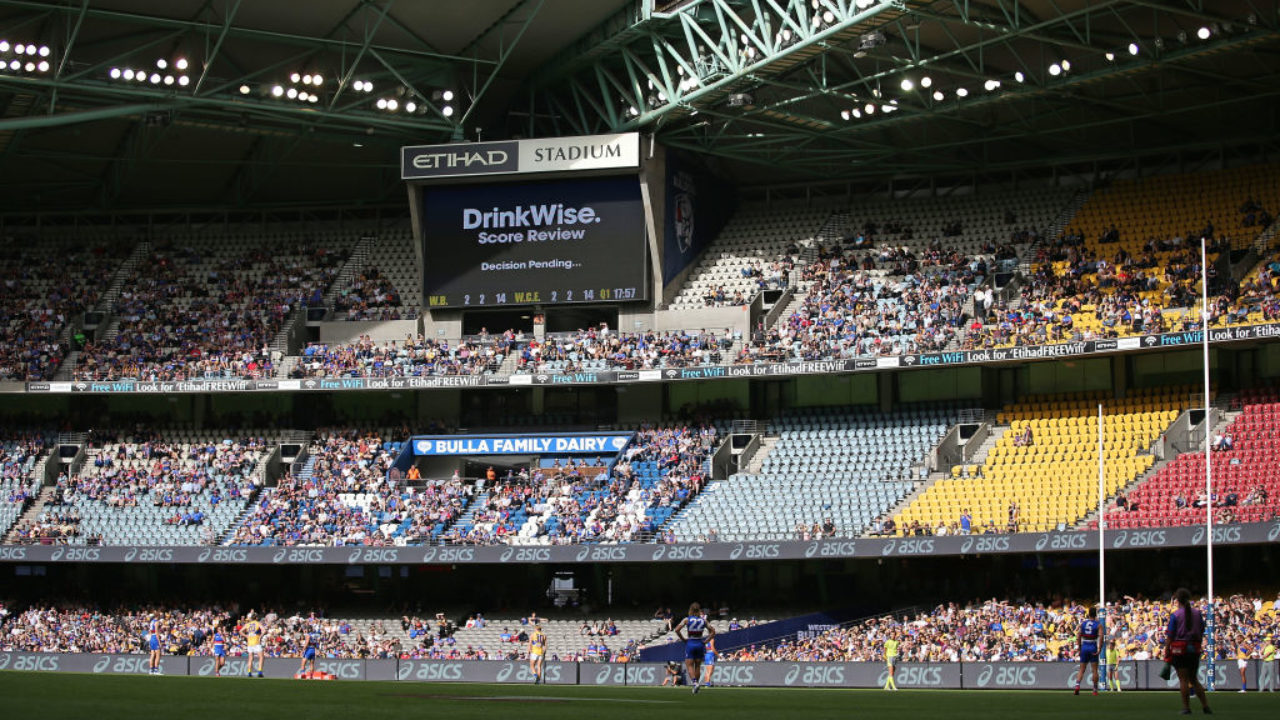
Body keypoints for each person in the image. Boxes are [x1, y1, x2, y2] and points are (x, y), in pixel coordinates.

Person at [1164, 588, 1211, 715]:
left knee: (1183, 679)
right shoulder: (1197, 613)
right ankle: (1205, 706)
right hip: (1194, 648)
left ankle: (1186, 707)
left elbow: (1170, 635)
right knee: (1194, 679)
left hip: (1180, 648)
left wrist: (1166, 649)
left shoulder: (1176, 615)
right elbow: (1201, 630)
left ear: (1178, 600)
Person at [673, 602, 715, 695]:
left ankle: (695, 683)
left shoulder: (686, 620)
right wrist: (706, 641)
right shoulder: (703, 620)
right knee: (698, 666)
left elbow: (676, 630)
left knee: (689, 665)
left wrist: (683, 639)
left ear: (690, 610)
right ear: (699, 610)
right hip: (700, 643)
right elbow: (713, 631)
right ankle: (697, 685)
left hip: (690, 642)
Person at [1074, 606, 1101, 695]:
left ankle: (1077, 685)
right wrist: (1099, 648)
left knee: (1082, 669)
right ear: (1095, 614)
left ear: (1088, 614)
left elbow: (1078, 635)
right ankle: (1095, 689)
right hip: (1092, 645)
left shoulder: (1083, 623)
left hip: (1085, 645)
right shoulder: (1098, 624)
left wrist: (1079, 647)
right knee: (1094, 670)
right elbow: (1101, 637)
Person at [243, 611, 265, 678]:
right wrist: (260, 636)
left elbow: (240, 631)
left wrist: (246, 636)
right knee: (261, 657)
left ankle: (249, 672)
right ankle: (260, 672)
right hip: (256, 642)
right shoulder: (257, 623)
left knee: (250, 658)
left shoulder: (248, 624)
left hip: (249, 643)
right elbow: (264, 630)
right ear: (256, 617)